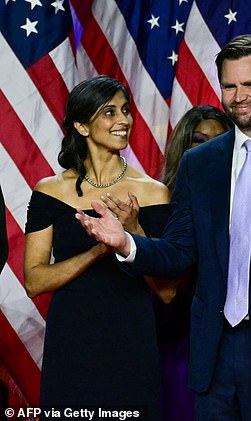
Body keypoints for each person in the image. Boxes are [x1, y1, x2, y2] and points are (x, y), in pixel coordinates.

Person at [76, 35, 251, 421]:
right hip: (215, 359)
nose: (238, 96)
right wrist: (128, 241)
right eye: (229, 86)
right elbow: (179, 249)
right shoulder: (201, 163)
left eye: (250, 84)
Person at [23, 75, 170, 419]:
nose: (124, 120)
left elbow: (167, 292)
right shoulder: (50, 192)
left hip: (131, 342)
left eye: (125, 110)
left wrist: (132, 232)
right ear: (82, 126)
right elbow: (34, 281)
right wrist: (100, 249)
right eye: (109, 112)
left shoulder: (152, 193)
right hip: (71, 344)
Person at [157, 105, 232, 421]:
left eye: (221, 140)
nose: (211, 149)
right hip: (176, 343)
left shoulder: (248, 206)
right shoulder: (159, 206)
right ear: (183, 148)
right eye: (200, 140)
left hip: (234, 349)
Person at [162, 105, 234, 192]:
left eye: (219, 140)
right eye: (200, 140)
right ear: (183, 146)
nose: (210, 148)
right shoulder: (160, 198)